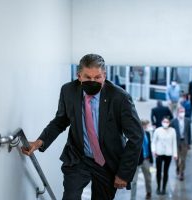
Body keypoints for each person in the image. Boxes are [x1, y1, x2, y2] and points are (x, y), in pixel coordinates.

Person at [21, 54, 144, 200]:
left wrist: (124, 173)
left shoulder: (120, 97)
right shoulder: (68, 91)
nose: (93, 81)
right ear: (79, 76)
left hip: (107, 162)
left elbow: (136, 136)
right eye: (88, 77)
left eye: (98, 77)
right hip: (78, 158)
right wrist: (39, 142)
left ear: (104, 75)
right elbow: (60, 121)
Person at [152, 117, 177, 195]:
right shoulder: (157, 130)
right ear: (161, 121)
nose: (165, 123)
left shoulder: (172, 131)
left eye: (167, 121)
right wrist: (153, 150)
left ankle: (164, 188)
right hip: (159, 153)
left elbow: (174, 142)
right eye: (164, 121)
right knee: (158, 171)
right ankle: (158, 187)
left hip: (168, 154)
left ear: (169, 123)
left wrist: (175, 154)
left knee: (166, 172)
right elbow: (153, 141)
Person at [130, 120, 153, 200]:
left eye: (146, 125)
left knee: (148, 178)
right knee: (134, 181)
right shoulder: (135, 134)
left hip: (146, 159)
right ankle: (132, 198)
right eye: (145, 125)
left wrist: (151, 159)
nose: (146, 127)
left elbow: (149, 147)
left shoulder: (148, 134)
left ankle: (149, 193)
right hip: (137, 161)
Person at [170, 106, 191, 181]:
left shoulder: (187, 121)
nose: (182, 113)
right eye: (181, 111)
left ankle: (182, 173)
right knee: (177, 158)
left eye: (183, 111)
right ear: (178, 112)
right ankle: (178, 167)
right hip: (176, 142)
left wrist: (189, 143)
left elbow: (189, 132)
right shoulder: (173, 121)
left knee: (183, 159)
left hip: (184, 142)